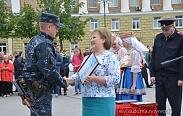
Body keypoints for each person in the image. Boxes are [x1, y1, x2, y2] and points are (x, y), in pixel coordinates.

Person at [66, 27, 120, 116]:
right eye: (91, 38)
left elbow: (116, 78)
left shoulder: (110, 57)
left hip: (103, 100)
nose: (91, 40)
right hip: (87, 99)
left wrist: (96, 79)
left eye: (94, 37)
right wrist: (68, 80)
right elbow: (80, 75)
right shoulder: (87, 58)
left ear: (103, 39)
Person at [22, 12, 67, 116]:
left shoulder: (34, 40)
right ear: (49, 26)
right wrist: (63, 83)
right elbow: (48, 69)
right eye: (56, 27)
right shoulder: (44, 43)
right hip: (40, 89)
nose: (57, 30)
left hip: (33, 87)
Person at [150, 18, 183, 116]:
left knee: (175, 104)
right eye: (163, 29)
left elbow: (182, 59)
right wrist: (152, 74)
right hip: (160, 76)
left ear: (172, 27)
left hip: (173, 76)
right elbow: (154, 57)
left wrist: (181, 77)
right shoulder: (158, 38)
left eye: (167, 29)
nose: (164, 32)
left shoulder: (180, 38)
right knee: (159, 105)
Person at [116, 32, 148, 101]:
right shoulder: (129, 52)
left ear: (128, 42)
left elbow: (135, 69)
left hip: (130, 76)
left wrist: (134, 84)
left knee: (130, 94)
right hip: (126, 75)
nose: (122, 43)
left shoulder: (134, 52)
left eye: (123, 41)